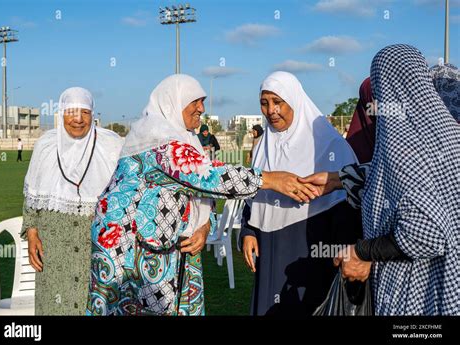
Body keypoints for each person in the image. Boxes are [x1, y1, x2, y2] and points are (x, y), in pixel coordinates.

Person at [86, 74, 318, 316]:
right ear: (174, 102)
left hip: (169, 248)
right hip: (130, 254)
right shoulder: (157, 140)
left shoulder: (184, 139)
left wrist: (204, 226)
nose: (202, 108)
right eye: (195, 101)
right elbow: (209, 176)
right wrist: (271, 179)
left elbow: (197, 191)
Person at [301, 44, 460, 315]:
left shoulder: (405, 145)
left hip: (419, 293)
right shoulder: (448, 136)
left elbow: (426, 235)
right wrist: (338, 179)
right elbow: (402, 186)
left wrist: (363, 251)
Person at [239, 71, 362, 316]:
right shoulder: (264, 147)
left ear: (294, 101)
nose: (271, 110)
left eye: (278, 102)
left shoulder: (331, 146)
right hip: (270, 253)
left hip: (313, 254)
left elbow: (349, 208)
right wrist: (248, 232)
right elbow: (252, 197)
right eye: (264, 103)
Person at [21, 87, 123, 315]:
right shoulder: (45, 146)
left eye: (85, 112)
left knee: (96, 300)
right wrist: (32, 232)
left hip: (97, 241)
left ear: (93, 115)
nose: (78, 119)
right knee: (55, 303)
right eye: (72, 112)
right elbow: (31, 193)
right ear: (61, 114)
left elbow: (126, 189)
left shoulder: (111, 145)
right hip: (54, 244)